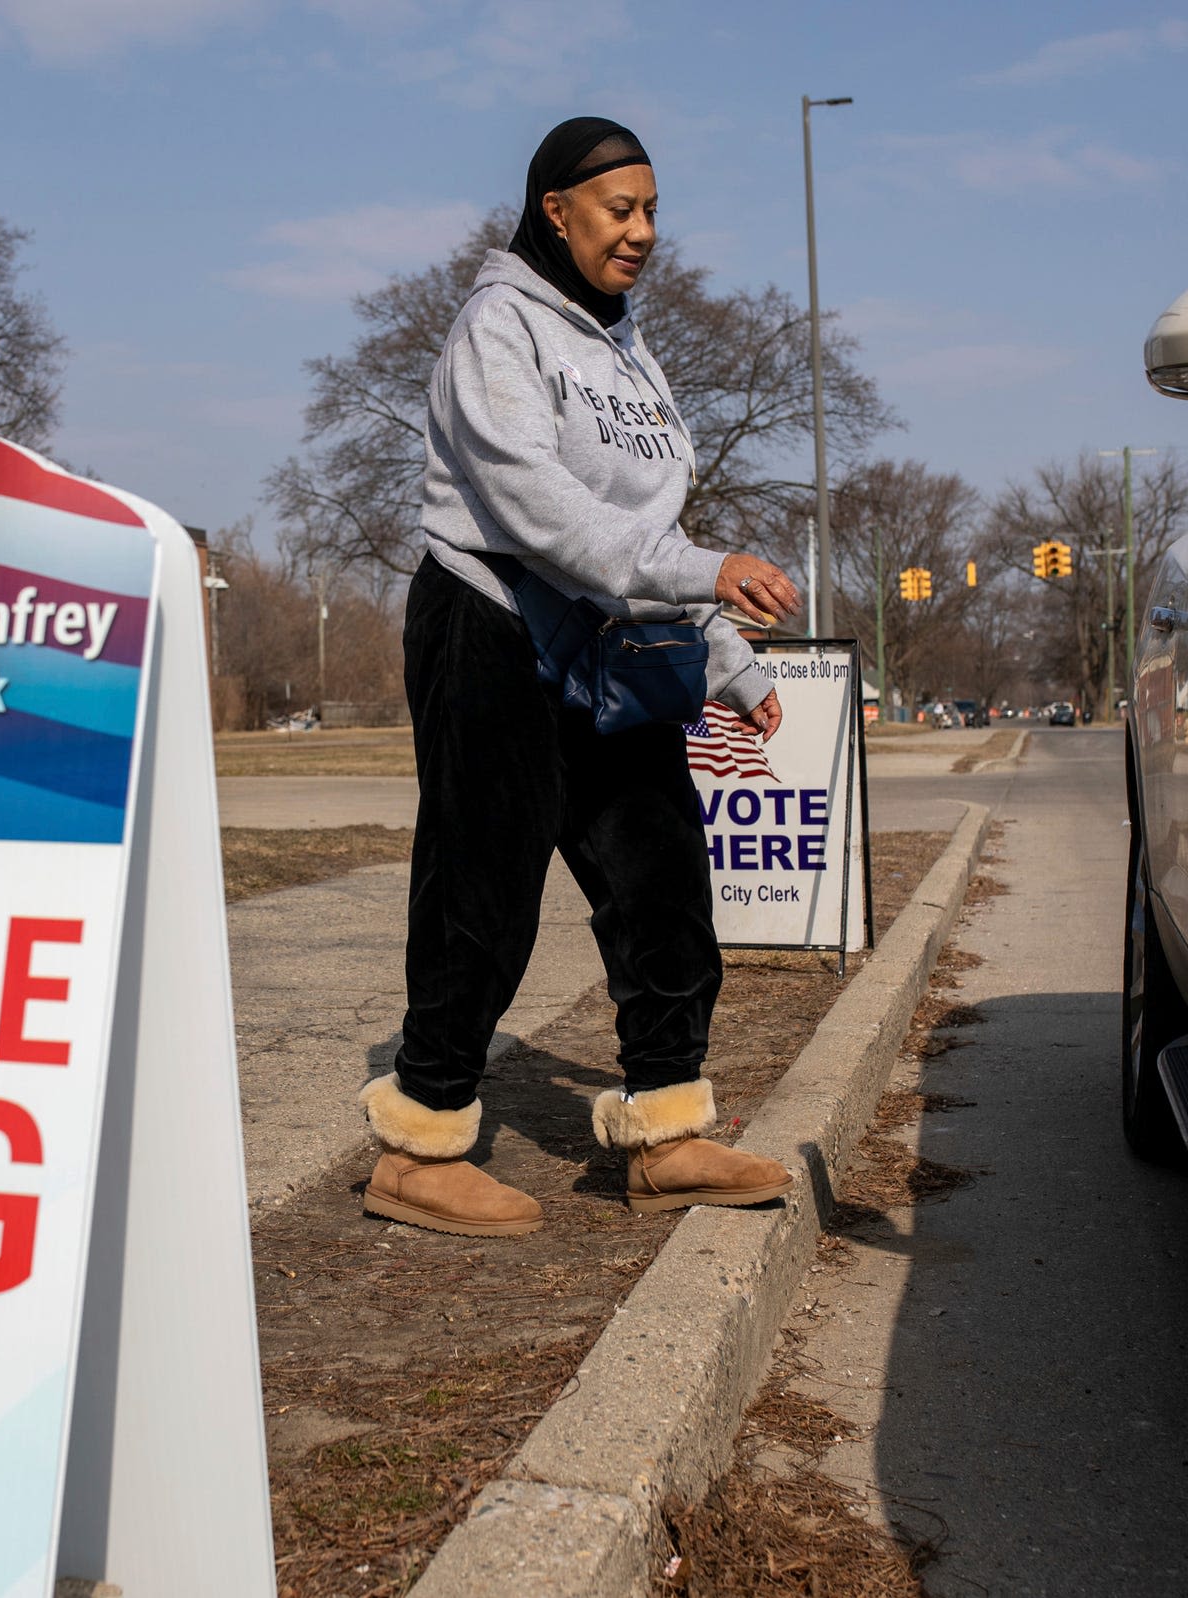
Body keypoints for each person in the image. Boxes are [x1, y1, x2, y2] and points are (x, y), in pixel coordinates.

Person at [359, 117, 807, 1238]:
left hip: (610, 642)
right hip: (493, 620)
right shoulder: (495, 327)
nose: (645, 231)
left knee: (660, 870)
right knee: (484, 883)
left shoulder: (627, 353)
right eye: (623, 209)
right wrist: (713, 569)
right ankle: (422, 1138)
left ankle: (666, 1129)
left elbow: (641, 522)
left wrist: (726, 656)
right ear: (556, 211)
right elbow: (543, 513)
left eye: (654, 210)